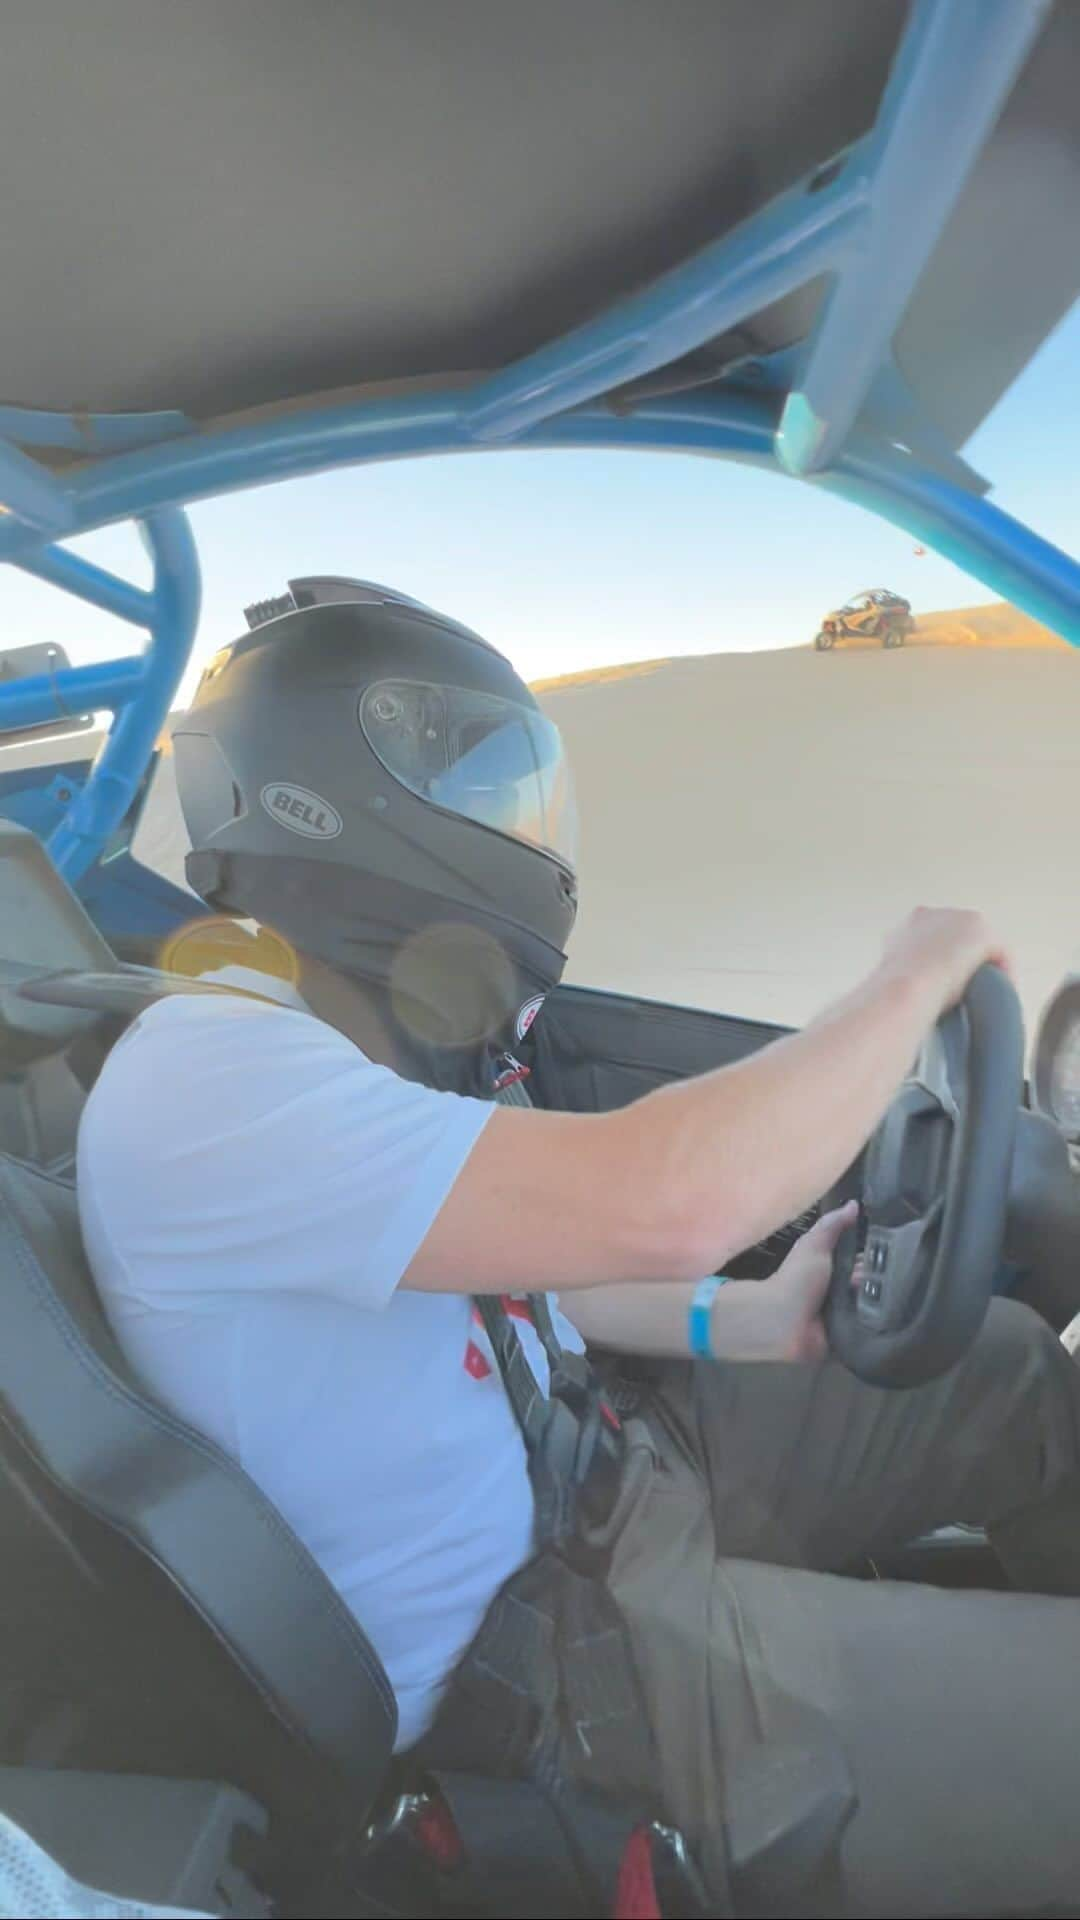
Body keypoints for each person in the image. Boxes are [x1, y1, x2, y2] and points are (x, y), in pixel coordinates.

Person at [77, 582, 1080, 1916]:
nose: (515, 833)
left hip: (605, 1480)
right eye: (472, 784)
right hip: (566, 1677)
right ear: (320, 790)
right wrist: (907, 987)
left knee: (1007, 1364)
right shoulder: (217, 1075)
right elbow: (663, 1197)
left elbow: (534, 1261)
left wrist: (743, 1318)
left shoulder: (347, 1040)